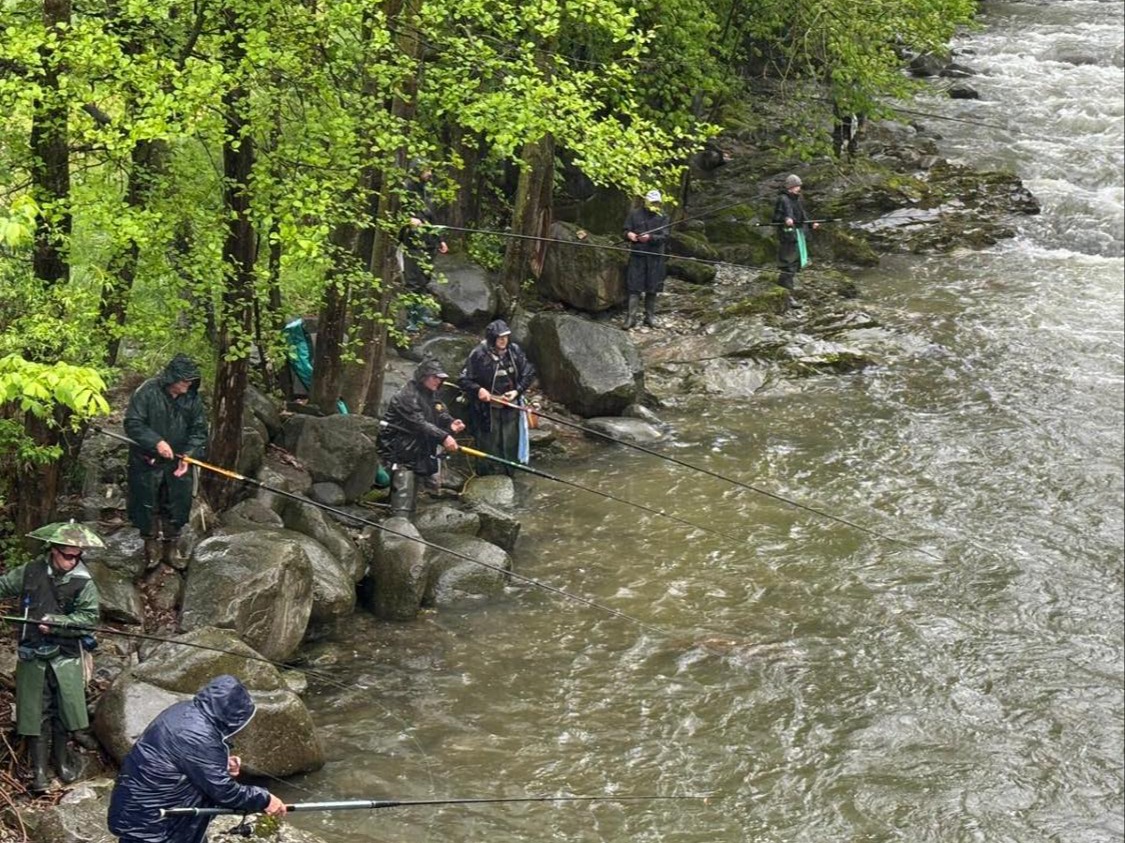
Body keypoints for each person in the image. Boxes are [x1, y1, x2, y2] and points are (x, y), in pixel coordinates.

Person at [107, 674, 287, 842]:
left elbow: (184, 763)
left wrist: (221, 764)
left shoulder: (184, 710)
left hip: (139, 810)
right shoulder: (198, 736)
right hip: (154, 824)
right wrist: (264, 799)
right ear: (231, 714)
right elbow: (224, 791)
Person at [0, 520, 103, 792]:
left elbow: (89, 618)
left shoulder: (84, 581)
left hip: (66, 656)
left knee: (64, 712)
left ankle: (61, 760)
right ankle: (39, 772)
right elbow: (2, 586)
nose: (73, 560)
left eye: (77, 556)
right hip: (32, 655)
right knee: (36, 714)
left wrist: (58, 621)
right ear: (53, 550)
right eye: (68, 555)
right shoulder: (30, 571)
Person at [123, 354, 208, 566]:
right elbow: (133, 423)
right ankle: (150, 544)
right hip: (146, 460)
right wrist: (157, 442)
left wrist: (189, 455)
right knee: (146, 504)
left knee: (177, 504)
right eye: (184, 381)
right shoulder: (147, 392)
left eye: (190, 381)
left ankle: (171, 546)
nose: (187, 385)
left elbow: (199, 431)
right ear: (172, 379)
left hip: (177, 462)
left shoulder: (192, 399)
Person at [376, 359, 465, 520]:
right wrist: (445, 437)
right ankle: (399, 522)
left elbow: (439, 411)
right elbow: (419, 423)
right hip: (399, 447)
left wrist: (451, 422)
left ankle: (409, 516)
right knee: (404, 482)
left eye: (440, 378)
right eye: (434, 377)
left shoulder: (430, 394)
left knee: (416, 483)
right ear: (423, 376)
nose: (438, 381)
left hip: (418, 447)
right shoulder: (406, 395)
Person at [458, 319, 536, 476]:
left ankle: (511, 474)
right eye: (500, 337)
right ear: (492, 338)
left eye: (506, 337)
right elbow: (463, 379)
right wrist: (478, 390)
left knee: (510, 442)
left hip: (511, 405)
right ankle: (488, 476)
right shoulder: (478, 354)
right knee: (489, 444)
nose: (503, 340)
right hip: (486, 409)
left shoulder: (514, 351)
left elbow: (529, 372)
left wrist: (517, 391)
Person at [398, 162, 449, 333]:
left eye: (430, 170)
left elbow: (433, 217)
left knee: (424, 280)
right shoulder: (406, 189)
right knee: (413, 282)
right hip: (413, 243)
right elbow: (397, 213)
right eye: (427, 170)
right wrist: (409, 220)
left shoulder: (427, 191)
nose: (430, 173)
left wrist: (440, 239)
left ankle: (422, 315)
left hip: (430, 243)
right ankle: (412, 319)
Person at [622, 189, 670, 329]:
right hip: (638, 255)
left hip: (655, 257)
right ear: (646, 201)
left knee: (652, 287)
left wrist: (650, 238)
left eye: (657, 202)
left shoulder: (664, 217)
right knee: (634, 287)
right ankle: (631, 318)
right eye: (652, 202)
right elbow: (625, 231)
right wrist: (629, 235)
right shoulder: (634, 214)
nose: (655, 205)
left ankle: (650, 317)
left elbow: (665, 237)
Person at [772, 174, 820, 307]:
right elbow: (778, 216)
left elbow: (802, 215)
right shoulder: (783, 199)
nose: (799, 188)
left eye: (799, 186)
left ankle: (788, 292)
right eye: (797, 186)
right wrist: (786, 219)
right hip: (788, 236)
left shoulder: (796, 199)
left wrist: (811, 224)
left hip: (797, 235)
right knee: (788, 263)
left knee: (795, 263)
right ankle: (786, 295)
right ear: (790, 187)